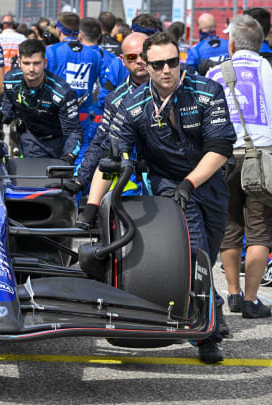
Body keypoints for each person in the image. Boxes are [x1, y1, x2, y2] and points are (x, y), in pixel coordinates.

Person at [80, 32, 236, 363]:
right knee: (196, 254)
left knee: (209, 249)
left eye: (173, 62)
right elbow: (111, 159)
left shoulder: (208, 92)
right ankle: (208, 332)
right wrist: (91, 208)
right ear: (146, 67)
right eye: (159, 64)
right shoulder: (131, 105)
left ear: (181, 61)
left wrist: (191, 183)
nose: (167, 70)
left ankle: (206, 316)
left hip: (209, 181)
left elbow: (221, 148)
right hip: (169, 188)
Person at [208, 15, 272, 319]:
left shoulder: (216, 71)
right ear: (262, 42)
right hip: (263, 157)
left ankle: (232, 292)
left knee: (230, 227)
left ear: (231, 43)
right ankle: (252, 300)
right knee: (259, 232)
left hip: (225, 157)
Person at [74, 32, 149, 191]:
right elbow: (99, 141)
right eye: (132, 57)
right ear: (122, 60)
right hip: (132, 174)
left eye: (143, 55)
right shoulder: (115, 99)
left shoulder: (173, 86)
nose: (140, 61)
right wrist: (80, 179)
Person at [1, 39, 83, 161]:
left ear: (45, 63)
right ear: (19, 63)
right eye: (27, 63)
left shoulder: (62, 92)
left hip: (58, 141)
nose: (31, 69)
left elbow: (74, 131)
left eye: (36, 63)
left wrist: (69, 156)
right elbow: (5, 113)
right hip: (31, 139)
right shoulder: (10, 81)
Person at [44, 15, 104, 166]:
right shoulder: (95, 55)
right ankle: (77, 187)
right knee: (79, 154)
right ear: (78, 31)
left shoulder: (49, 52)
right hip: (82, 113)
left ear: (58, 30)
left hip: (54, 114)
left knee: (52, 155)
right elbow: (96, 84)